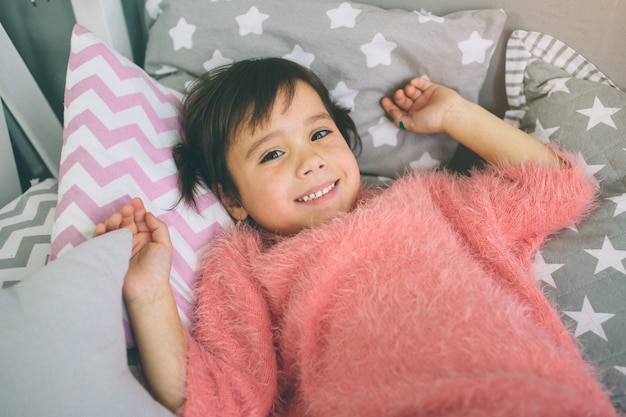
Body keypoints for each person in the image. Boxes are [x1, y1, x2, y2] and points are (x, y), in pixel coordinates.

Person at [95, 58, 618, 416]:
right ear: (232, 199)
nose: (311, 160)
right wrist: (148, 294)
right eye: (272, 154)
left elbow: (557, 188)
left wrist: (456, 115)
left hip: (524, 392)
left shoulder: (426, 199)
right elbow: (223, 400)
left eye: (320, 134)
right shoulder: (244, 265)